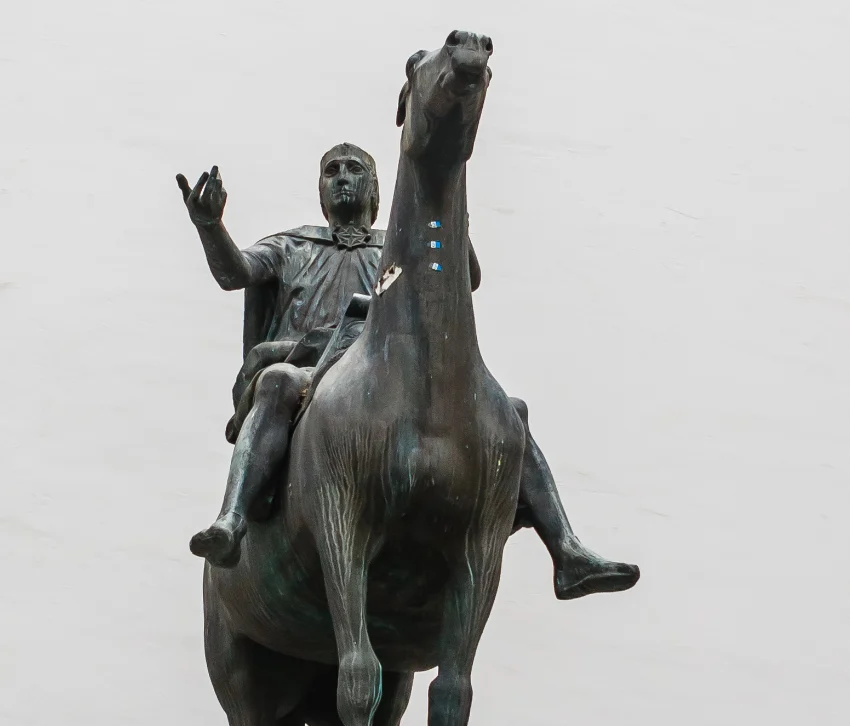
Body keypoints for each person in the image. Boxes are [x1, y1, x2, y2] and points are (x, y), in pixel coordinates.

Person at [177, 143, 639, 600]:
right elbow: (234, 271)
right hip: (310, 365)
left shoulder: (401, 247)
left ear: (375, 190)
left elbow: (463, 276)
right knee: (276, 380)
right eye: (331, 170)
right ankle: (232, 519)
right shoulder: (292, 245)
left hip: (387, 373)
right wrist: (209, 225)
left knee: (508, 412)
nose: (341, 177)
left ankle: (567, 551)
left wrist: (447, 217)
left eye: (353, 169)